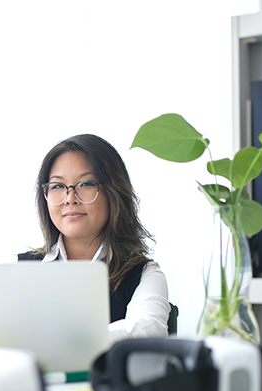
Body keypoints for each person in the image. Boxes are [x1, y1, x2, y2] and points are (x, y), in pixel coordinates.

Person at [18, 134, 171, 343]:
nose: (70, 198)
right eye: (57, 186)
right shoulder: (20, 271)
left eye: (86, 184)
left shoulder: (145, 274)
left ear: (114, 192)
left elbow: (147, 330)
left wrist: (68, 341)